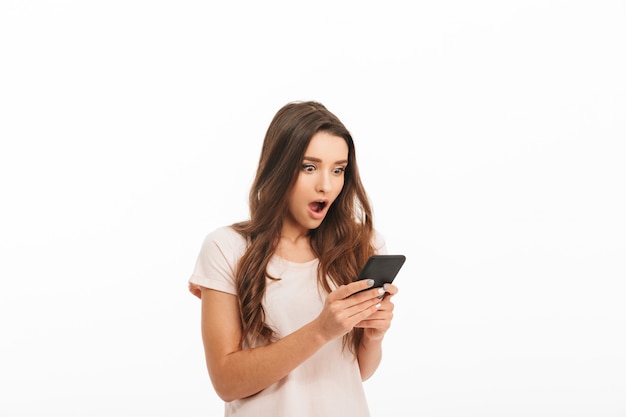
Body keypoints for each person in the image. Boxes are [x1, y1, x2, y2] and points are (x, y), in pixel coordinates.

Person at [188, 101, 399, 417]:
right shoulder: (227, 247)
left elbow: (358, 372)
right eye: (309, 167)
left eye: (338, 169)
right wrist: (320, 330)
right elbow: (226, 381)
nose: (326, 185)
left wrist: (374, 335)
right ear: (279, 168)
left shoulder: (363, 245)